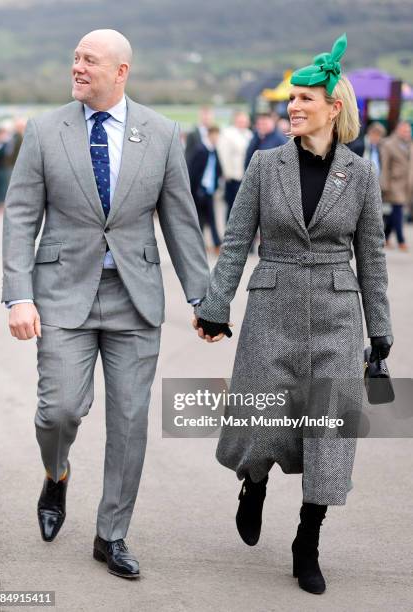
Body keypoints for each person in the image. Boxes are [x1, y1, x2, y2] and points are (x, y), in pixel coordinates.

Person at [1, 29, 209, 579]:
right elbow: (21, 216)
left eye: (89, 60)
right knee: (60, 409)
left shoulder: (162, 134)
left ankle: (111, 535)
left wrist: (202, 298)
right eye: (74, 58)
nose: (77, 67)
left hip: (134, 300)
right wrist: (19, 295)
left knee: (130, 421)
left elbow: (182, 223)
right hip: (61, 295)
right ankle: (57, 471)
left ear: (120, 72)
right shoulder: (44, 131)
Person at [193, 33, 393, 595]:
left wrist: (380, 331)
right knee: (261, 420)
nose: (294, 108)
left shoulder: (361, 174)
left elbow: (372, 257)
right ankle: (252, 482)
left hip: (336, 311)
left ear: (334, 107)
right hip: (270, 305)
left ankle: (308, 541)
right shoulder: (264, 164)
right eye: (291, 101)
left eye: (306, 100)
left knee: (328, 433)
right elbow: (235, 242)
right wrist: (215, 305)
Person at [188, 126, 223, 254]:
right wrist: (193, 191)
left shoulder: (213, 150)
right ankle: (199, 246)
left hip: (209, 191)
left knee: (211, 219)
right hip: (199, 191)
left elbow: (218, 168)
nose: (216, 139)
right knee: (199, 220)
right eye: (214, 136)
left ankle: (215, 245)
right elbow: (192, 172)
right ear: (209, 135)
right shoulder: (200, 150)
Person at [380, 120, 413, 251]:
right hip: (393, 183)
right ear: (398, 130)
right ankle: (401, 240)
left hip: (407, 184)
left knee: (395, 212)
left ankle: (385, 237)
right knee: (398, 210)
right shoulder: (388, 144)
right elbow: (385, 167)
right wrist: (384, 185)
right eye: (405, 130)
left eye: (409, 131)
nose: (407, 133)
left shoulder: (410, 145)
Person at [217, 111, 252, 221]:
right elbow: (223, 155)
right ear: (235, 121)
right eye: (241, 121)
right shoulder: (227, 134)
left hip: (247, 177)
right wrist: (227, 173)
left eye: (245, 121)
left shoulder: (249, 134)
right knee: (232, 207)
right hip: (234, 177)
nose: (243, 123)